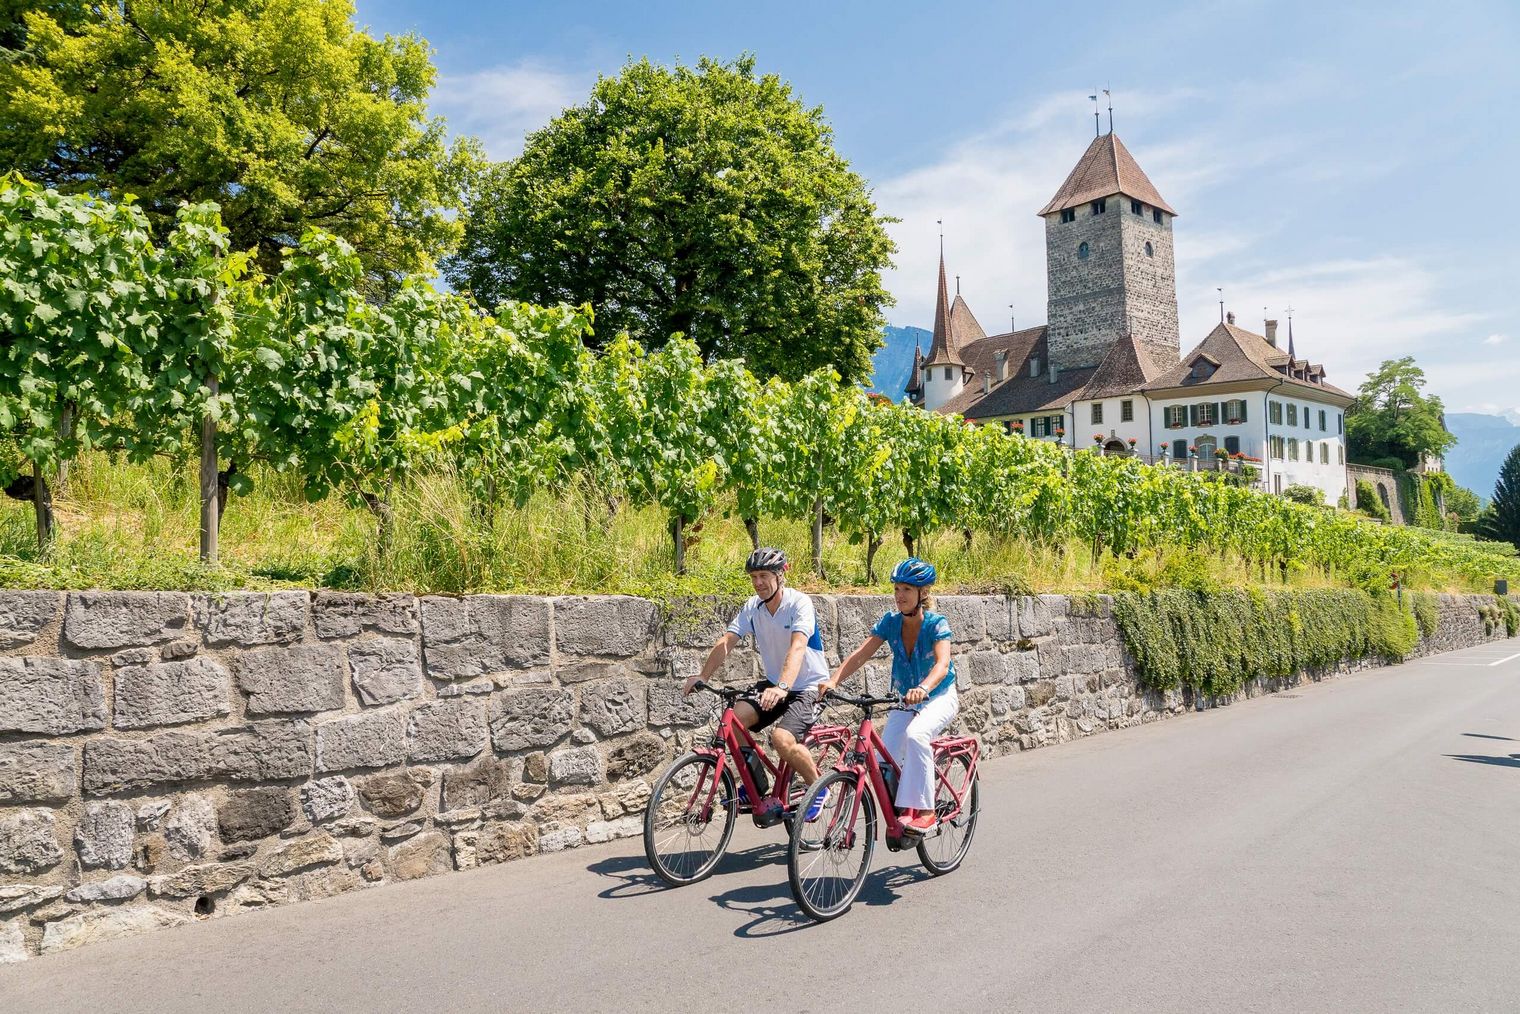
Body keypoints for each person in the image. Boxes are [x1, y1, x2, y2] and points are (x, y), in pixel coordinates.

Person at [683, 547, 830, 822]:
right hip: (776, 683)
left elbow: (798, 647)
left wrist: (783, 686)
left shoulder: (799, 604)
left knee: (781, 739)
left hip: (808, 686)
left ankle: (818, 787)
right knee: (733, 723)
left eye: (764, 575)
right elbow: (727, 641)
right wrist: (703, 676)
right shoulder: (754, 607)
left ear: (780, 575)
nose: (758, 582)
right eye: (754, 576)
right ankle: (756, 787)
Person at [821, 557, 958, 834]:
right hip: (904, 699)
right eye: (896, 589)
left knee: (917, 735)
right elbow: (862, 654)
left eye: (906, 589)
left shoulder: (936, 623)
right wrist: (833, 680)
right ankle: (902, 811)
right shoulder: (890, 622)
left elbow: (942, 665)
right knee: (883, 762)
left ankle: (927, 811)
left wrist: (924, 688)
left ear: (923, 593)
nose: (899, 596)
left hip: (939, 696)